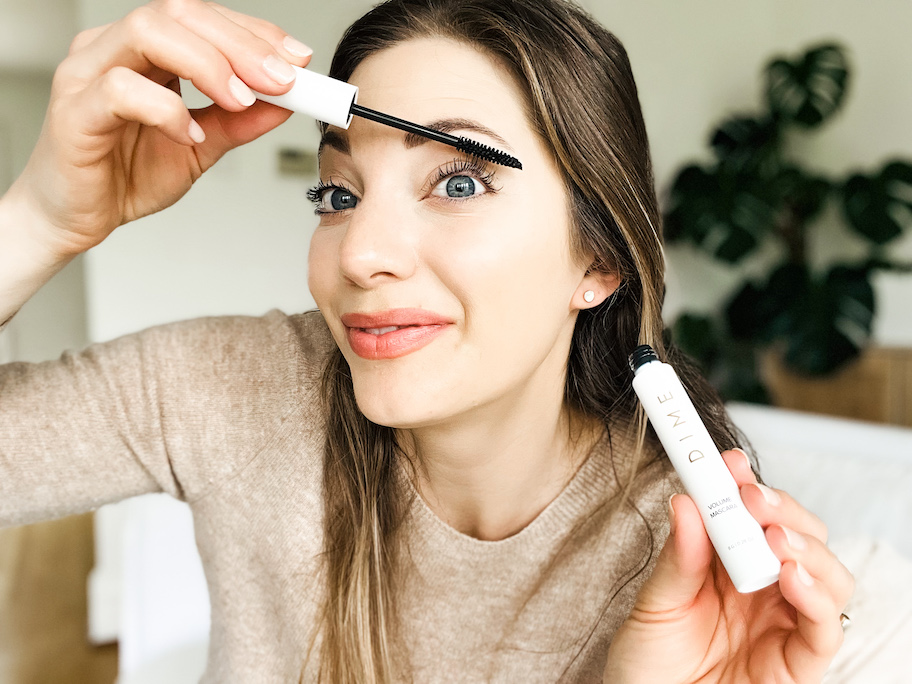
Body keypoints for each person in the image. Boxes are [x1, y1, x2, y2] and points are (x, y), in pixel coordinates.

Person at [0, 0, 853, 681]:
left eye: (455, 180)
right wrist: (36, 221)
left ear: (598, 259)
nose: (361, 255)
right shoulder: (233, 389)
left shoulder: (680, 561)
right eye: (338, 195)